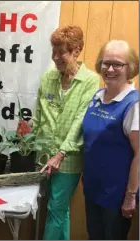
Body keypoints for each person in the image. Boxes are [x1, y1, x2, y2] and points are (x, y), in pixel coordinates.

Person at [33, 25, 100, 240]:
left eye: (61, 51)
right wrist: (28, 140)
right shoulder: (48, 78)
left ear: (76, 51)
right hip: (43, 155)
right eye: (53, 51)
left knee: (55, 209)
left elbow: (80, 121)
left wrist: (60, 154)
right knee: (60, 210)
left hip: (68, 160)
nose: (55, 57)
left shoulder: (89, 81)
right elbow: (38, 115)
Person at [82, 40, 139, 240]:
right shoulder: (97, 96)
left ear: (130, 67)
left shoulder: (133, 104)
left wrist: (130, 197)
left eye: (117, 64)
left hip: (117, 196)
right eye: (106, 63)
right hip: (93, 189)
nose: (110, 69)